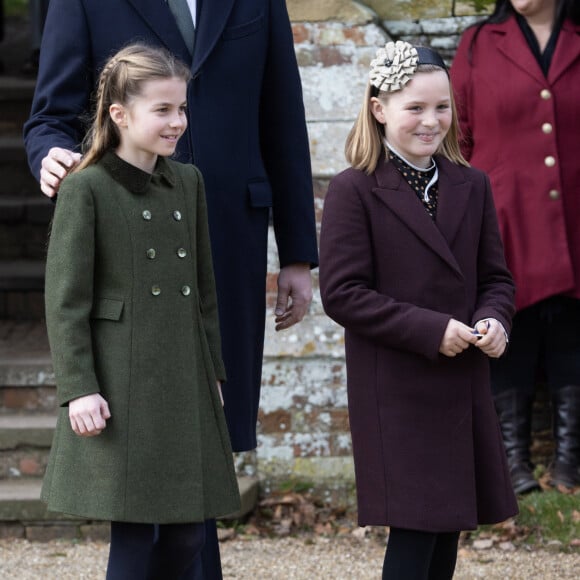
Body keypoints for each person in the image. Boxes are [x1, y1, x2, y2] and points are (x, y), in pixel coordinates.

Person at [24, 1, 318, 576]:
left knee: (206, 428)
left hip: (229, 231)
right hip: (124, 240)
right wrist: (50, 157)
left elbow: (283, 115)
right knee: (149, 447)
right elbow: (49, 117)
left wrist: (298, 253)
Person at [319, 41, 518, 579]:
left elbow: (496, 278)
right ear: (379, 109)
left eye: (442, 107)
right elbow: (343, 292)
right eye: (415, 108)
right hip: (397, 389)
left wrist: (495, 320)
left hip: (461, 383)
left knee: (446, 531)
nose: (431, 122)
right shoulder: (353, 190)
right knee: (415, 532)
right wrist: (432, 330)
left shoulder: (471, 184)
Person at [43, 43, 240, 579]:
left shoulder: (188, 182)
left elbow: (204, 292)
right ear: (119, 114)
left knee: (186, 538)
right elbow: (66, 302)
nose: (177, 122)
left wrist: (213, 371)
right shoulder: (85, 188)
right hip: (121, 383)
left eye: (182, 109)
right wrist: (78, 386)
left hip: (183, 377)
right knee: (134, 538)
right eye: (163, 110)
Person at [451, 0, 580, 494]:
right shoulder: (479, 44)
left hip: (572, 212)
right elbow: (457, 136)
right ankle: (512, 462)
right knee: (505, 326)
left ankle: (569, 463)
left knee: (573, 329)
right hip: (503, 217)